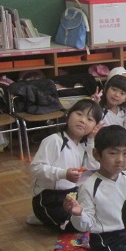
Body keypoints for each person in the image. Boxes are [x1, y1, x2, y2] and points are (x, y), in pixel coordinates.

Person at [29, 98, 102, 230]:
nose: (82, 120)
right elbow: (35, 168)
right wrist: (63, 174)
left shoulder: (83, 145)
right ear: (68, 116)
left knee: (97, 211)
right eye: (79, 114)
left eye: (90, 119)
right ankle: (43, 215)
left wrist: (92, 139)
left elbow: (94, 165)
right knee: (80, 225)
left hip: (71, 194)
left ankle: (48, 218)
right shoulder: (54, 140)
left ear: (94, 127)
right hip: (48, 198)